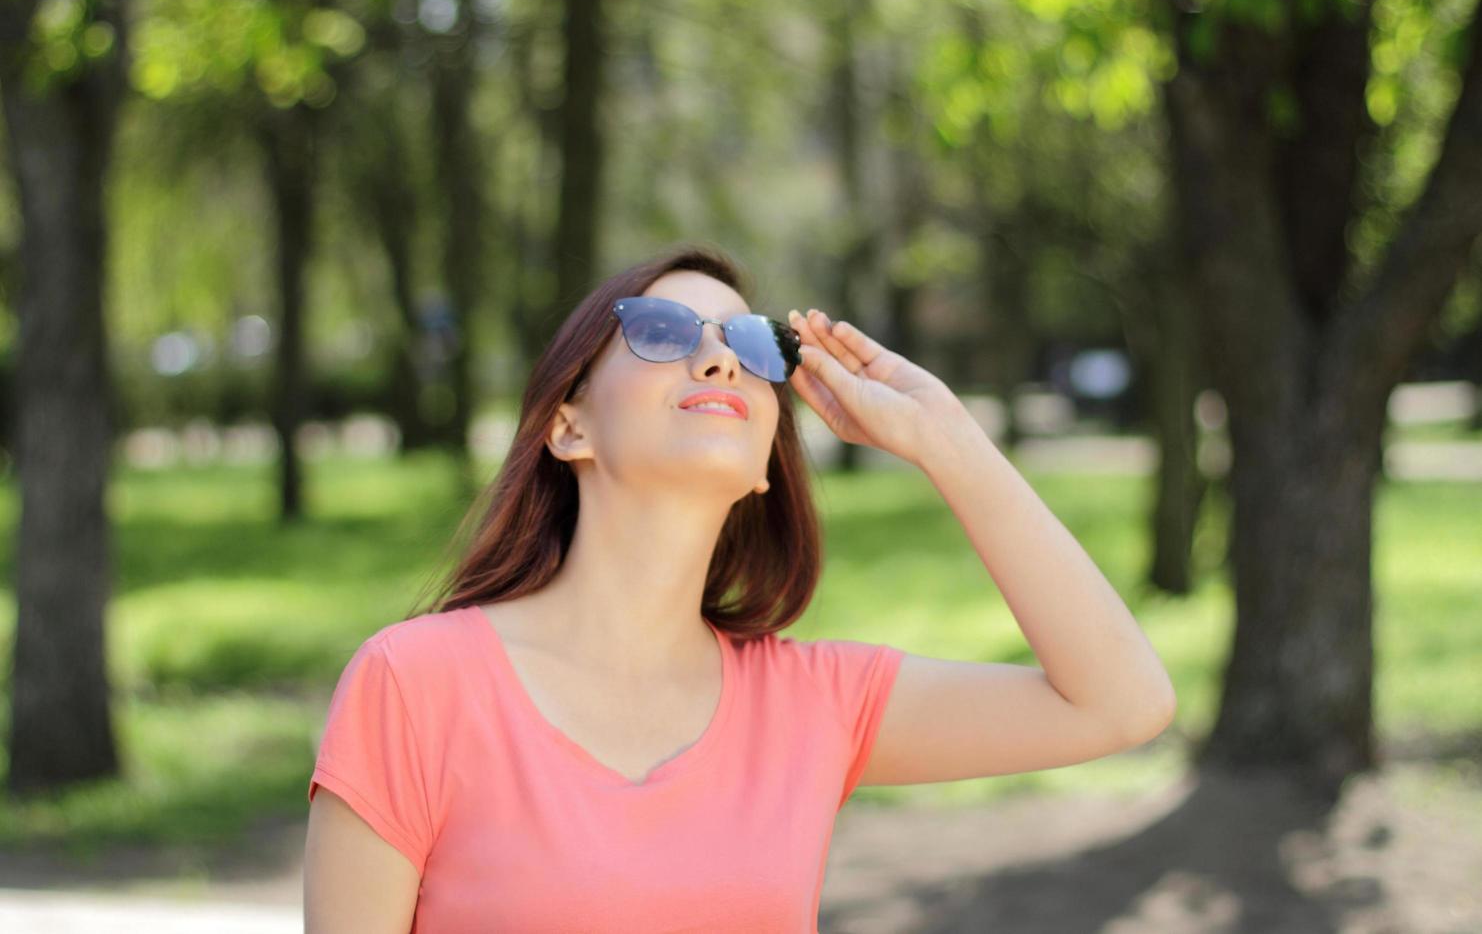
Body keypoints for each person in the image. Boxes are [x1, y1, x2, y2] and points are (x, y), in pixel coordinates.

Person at [302, 242, 1177, 933]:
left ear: (766, 461)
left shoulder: (812, 705)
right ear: (569, 426)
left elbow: (1121, 703)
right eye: (663, 333)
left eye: (752, 345)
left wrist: (947, 438)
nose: (719, 362)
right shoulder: (415, 687)